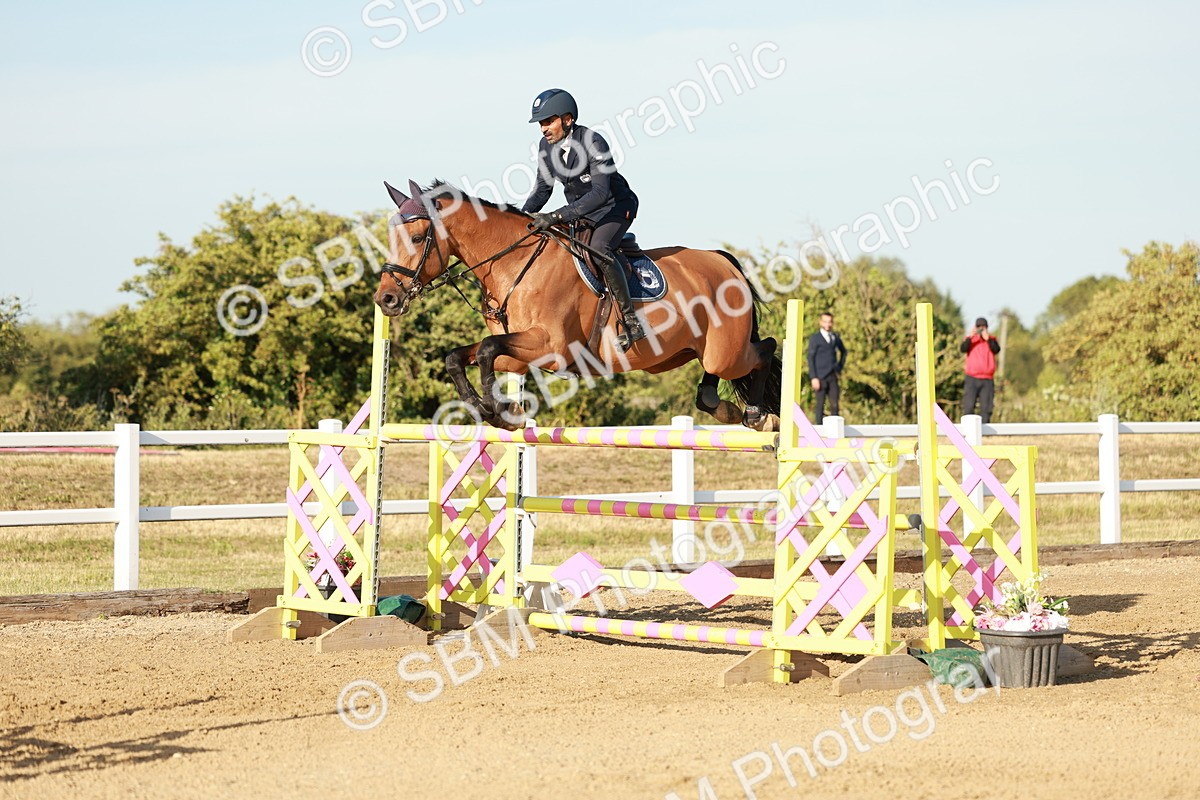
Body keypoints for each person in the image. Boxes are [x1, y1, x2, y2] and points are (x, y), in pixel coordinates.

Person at [520, 88, 646, 350]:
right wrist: (521, 220)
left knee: (599, 247)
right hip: (583, 213)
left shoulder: (593, 142)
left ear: (567, 119)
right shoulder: (546, 147)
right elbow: (543, 191)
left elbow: (600, 193)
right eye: (541, 123)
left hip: (615, 207)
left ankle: (631, 321)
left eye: (548, 121)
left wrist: (555, 216)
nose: (543, 129)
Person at [806, 311, 847, 423]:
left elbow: (844, 351)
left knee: (834, 404)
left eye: (830, 322)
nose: (828, 324)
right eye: (825, 322)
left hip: (833, 375)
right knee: (820, 405)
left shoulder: (835, 337)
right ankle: (819, 431)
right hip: (820, 377)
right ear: (821, 322)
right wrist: (813, 377)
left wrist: (839, 367)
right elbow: (810, 358)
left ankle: (835, 432)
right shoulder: (815, 338)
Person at [961, 316, 1002, 423]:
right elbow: (963, 348)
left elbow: (996, 349)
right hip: (972, 378)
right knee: (969, 405)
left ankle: (985, 432)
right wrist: (970, 336)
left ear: (987, 328)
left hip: (987, 379)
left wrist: (987, 338)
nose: (981, 329)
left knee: (986, 407)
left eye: (983, 327)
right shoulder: (971, 340)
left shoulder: (991, 340)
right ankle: (967, 430)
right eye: (979, 327)